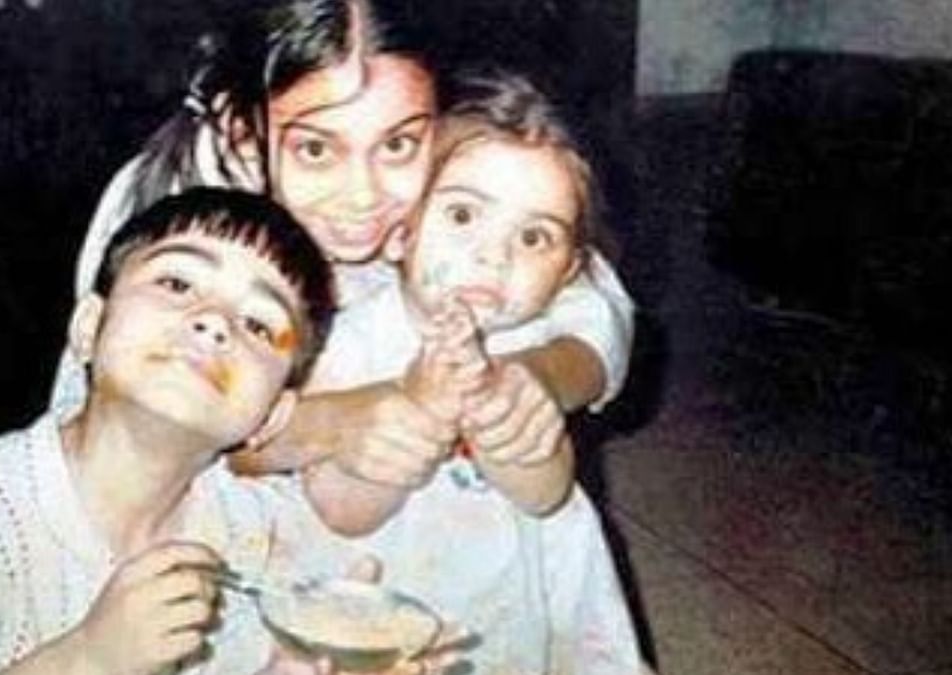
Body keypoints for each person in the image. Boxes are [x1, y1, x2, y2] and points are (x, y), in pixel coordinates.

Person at [0, 188, 363, 675]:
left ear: (271, 417)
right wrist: (85, 660)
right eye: (177, 284)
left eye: (259, 324)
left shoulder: (255, 535)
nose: (212, 324)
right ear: (88, 328)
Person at [49, 0, 635, 485]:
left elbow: (593, 294)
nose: (363, 197)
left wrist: (539, 377)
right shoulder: (170, 220)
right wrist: (332, 423)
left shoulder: (440, 136)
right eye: (315, 149)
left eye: (400, 144)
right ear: (241, 133)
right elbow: (142, 437)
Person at [292, 67, 645, 673]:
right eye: (462, 216)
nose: (493, 254)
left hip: (523, 596)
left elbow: (545, 494)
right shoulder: (350, 340)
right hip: (388, 589)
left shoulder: (534, 344)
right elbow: (341, 513)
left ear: (567, 274)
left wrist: (497, 412)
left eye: (534, 237)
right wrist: (419, 409)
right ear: (400, 235)